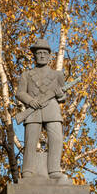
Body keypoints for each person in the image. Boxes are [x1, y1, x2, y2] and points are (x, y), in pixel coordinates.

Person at [15, 40, 70, 183]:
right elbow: (20, 93)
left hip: (52, 109)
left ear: (49, 56)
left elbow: (63, 97)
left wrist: (60, 95)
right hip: (33, 110)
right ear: (34, 56)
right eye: (39, 53)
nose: (42, 56)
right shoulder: (26, 75)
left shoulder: (57, 75)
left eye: (45, 53)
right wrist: (29, 101)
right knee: (30, 141)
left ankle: (54, 170)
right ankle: (28, 170)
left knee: (56, 140)